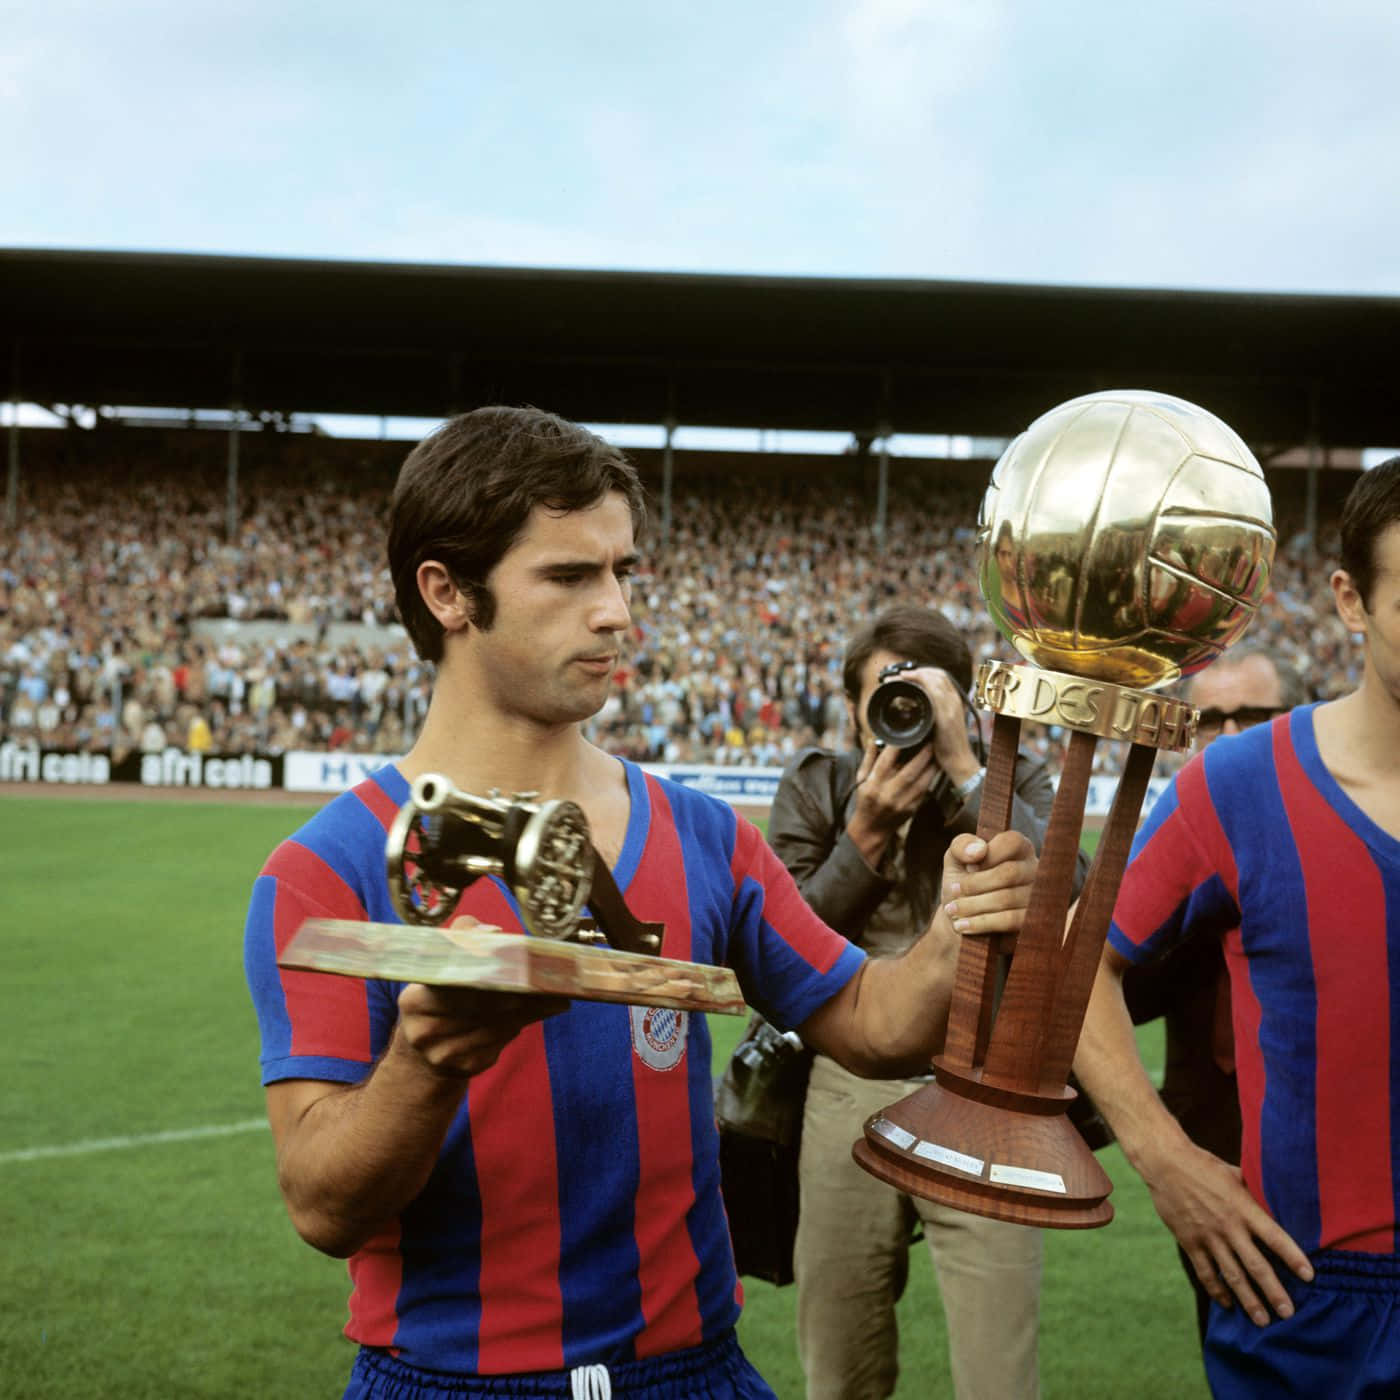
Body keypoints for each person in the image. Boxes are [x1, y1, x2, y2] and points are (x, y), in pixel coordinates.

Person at [242, 406, 1038, 1400]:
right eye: (570, 575)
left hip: (696, 1370)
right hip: (449, 1378)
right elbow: (324, 1205)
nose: (616, 611)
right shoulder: (328, 868)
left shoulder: (702, 832)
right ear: (447, 592)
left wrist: (954, 923)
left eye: (624, 571)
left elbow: (870, 1022)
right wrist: (427, 1058)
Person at [1073, 458, 1400, 1398]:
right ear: (1351, 598)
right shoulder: (1240, 786)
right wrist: (1166, 1159)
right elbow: (1080, 968)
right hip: (1312, 1297)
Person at [767, 603, 1070, 1400]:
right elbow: (778, 944)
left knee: (1000, 1373)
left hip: (986, 1086)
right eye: (885, 699)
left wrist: (974, 776)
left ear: (962, 708)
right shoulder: (819, 786)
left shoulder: (1014, 781)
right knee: (840, 1361)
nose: (902, 719)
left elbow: (1063, 900)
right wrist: (864, 833)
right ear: (852, 709)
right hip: (848, 1079)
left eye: (923, 700)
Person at [1118, 644, 1307, 1348]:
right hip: (1212, 1169)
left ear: (1300, 719)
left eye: (1253, 716)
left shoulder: (1353, 831)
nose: (1230, 739)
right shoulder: (1166, 855)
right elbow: (1111, 993)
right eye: (1212, 720)